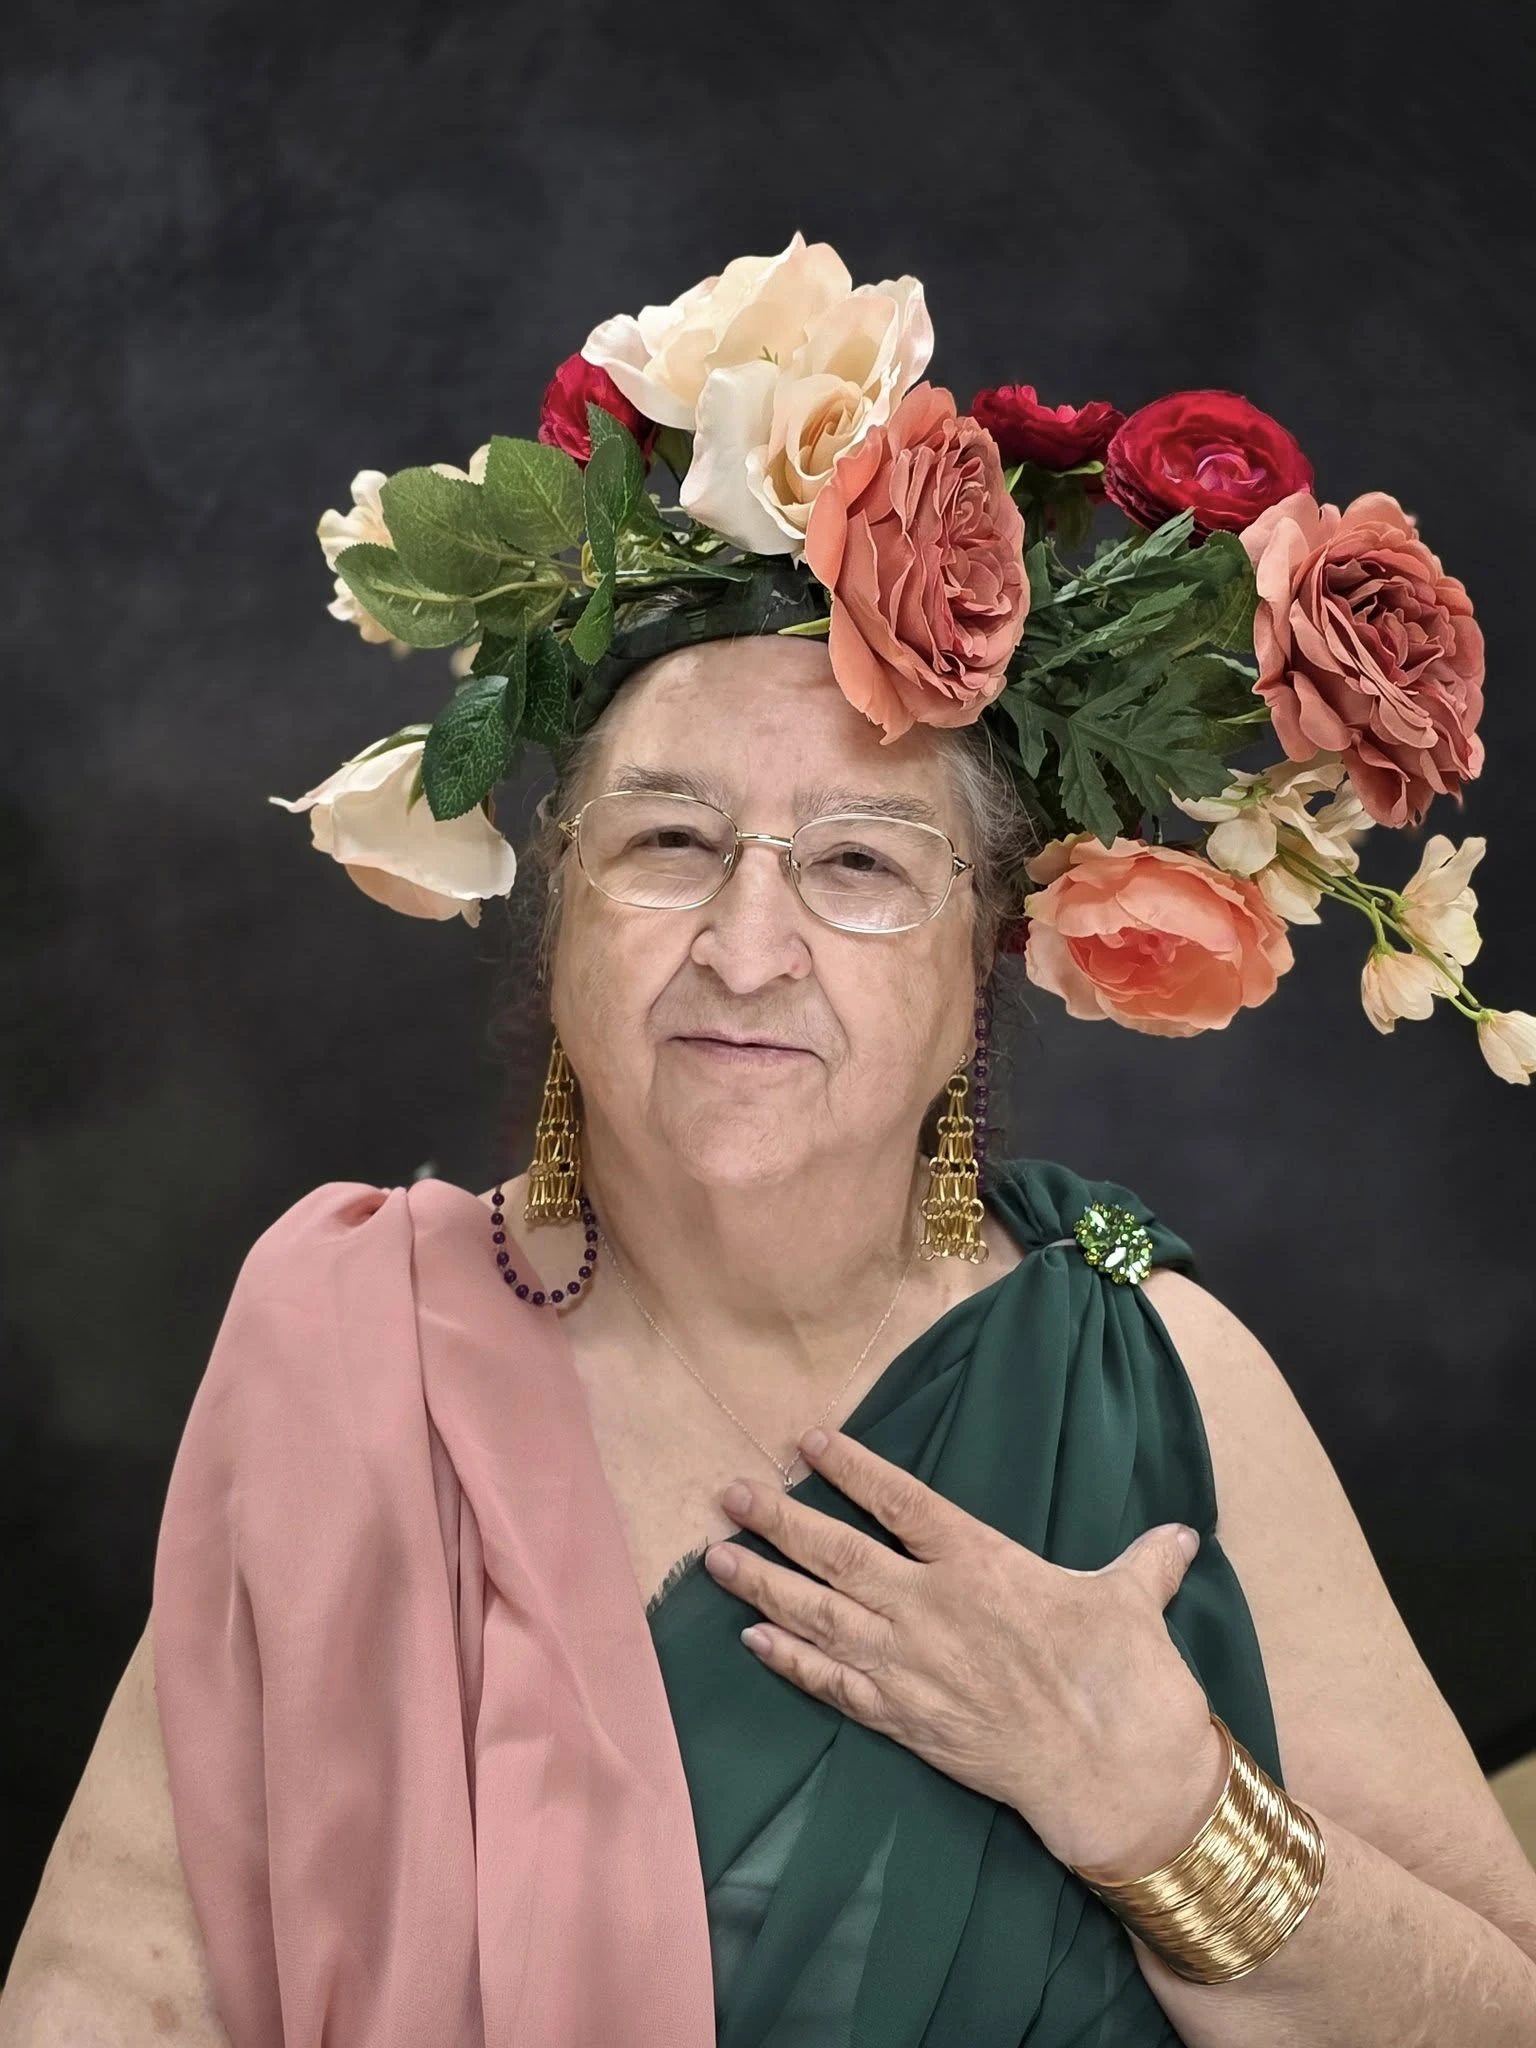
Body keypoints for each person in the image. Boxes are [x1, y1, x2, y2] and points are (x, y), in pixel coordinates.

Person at [7, 235, 1536, 2047]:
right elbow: (107, 2000)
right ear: (556, 915)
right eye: (667, 843)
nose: (747, 948)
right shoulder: (343, 1348)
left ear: (984, 960)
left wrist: (1168, 1810)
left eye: (859, 865)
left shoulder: (1153, 1375)